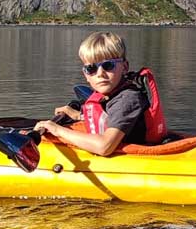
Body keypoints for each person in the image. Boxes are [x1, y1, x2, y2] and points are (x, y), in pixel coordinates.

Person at [32, 31, 167, 156]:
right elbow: (109, 116)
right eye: (91, 68)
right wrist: (79, 116)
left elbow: (104, 146)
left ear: (125, 67)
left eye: (108, 66)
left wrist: (57, 130)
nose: (100, 73)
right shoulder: (114, 93)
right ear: (85, 74)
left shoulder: (128, 99)